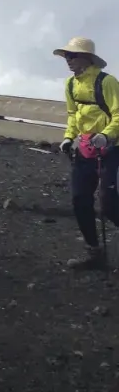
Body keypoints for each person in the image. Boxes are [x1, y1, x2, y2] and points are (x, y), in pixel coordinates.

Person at [54, 36, 119, 271]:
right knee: (80, 200)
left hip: (111, 150)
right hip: (84, 150)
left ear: (86, 58)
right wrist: (68, 138)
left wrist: (107, 135)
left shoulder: (107, 82)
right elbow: (73, 115)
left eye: (72, 56)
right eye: (67, 56)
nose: (68, 60)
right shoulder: (70, 85)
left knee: (109, 204)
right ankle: (94, 252)